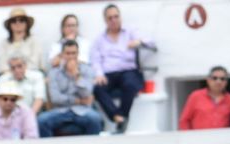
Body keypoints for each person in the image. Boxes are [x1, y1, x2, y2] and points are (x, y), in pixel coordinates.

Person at [90, 4, 154, 134]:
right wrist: (99, 74)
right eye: (110, 18)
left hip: (128, 70)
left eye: (116, 16)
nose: (114, 20)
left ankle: (122, 117)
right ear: (105, 20)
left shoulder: (130, 32)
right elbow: (95, 59)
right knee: (97, 88)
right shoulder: (99, 39)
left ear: (120, 17)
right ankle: (117, 116)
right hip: (109, 73)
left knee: (130, 84)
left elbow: (151, 41)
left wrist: (139, 42)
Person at [38, 40, 101, 137]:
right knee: (42, 120)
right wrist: (78, 101)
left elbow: (87, 94)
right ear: (62, 55)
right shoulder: (54, 73)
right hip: (60, 111)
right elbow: (55, 98)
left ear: (78, 54)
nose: (71, 56)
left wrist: (77, 76)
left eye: (74, 53)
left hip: (82, 111)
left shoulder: (87, 70)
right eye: (68, 53)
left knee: (95, 119)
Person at [0, 77, 38, 142]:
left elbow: (31, 137)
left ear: (17, 100)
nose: (8, 102)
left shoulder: (26, 112)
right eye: (5, 99)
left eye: (13, 100)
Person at [178, 66, 230, 130]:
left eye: (222, 79)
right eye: (214, 78)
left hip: (223, 139)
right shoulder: (196, 96)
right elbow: (184, 121)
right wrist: (189, 138)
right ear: (208, 80)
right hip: (199, 139)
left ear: (226, 82)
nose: (218, 81)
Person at [0, 7, 44, 75]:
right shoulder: (4, 43)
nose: (17, 23)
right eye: (14, 21)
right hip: (9, 76)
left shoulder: (34, 41)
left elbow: (35, 63)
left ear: (27, 23)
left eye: (21, 20)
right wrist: (13, 73)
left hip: (31, 75)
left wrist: (20, 72)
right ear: (10, 25)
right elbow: (1, 64)